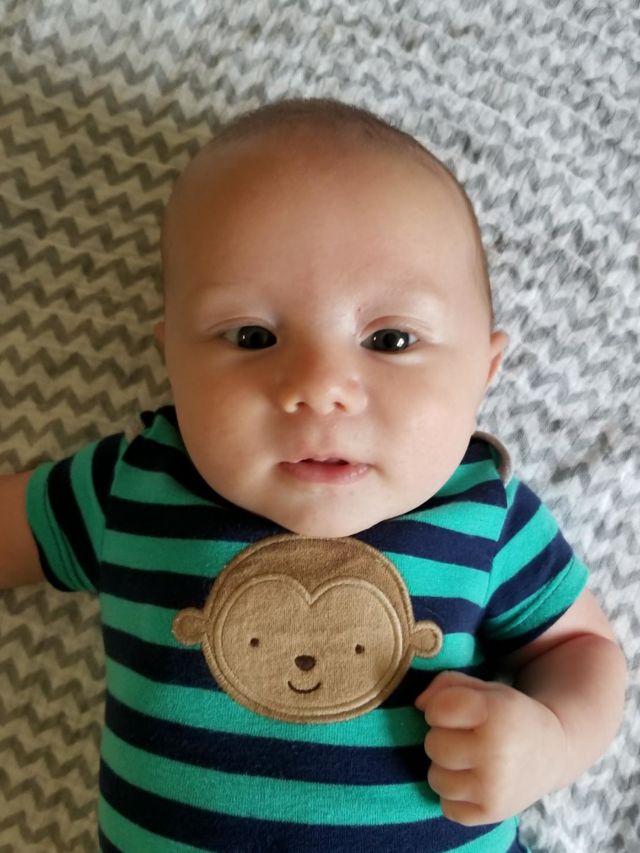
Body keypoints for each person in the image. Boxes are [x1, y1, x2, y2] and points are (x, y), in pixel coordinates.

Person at [0, 98, 626, 853]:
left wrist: (550, 740)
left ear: (484, 372)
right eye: (251, 336)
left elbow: (583, 651)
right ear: (172, 359)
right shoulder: (133, 482)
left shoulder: (485, 513)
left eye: (390, 340)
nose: (319, 387)